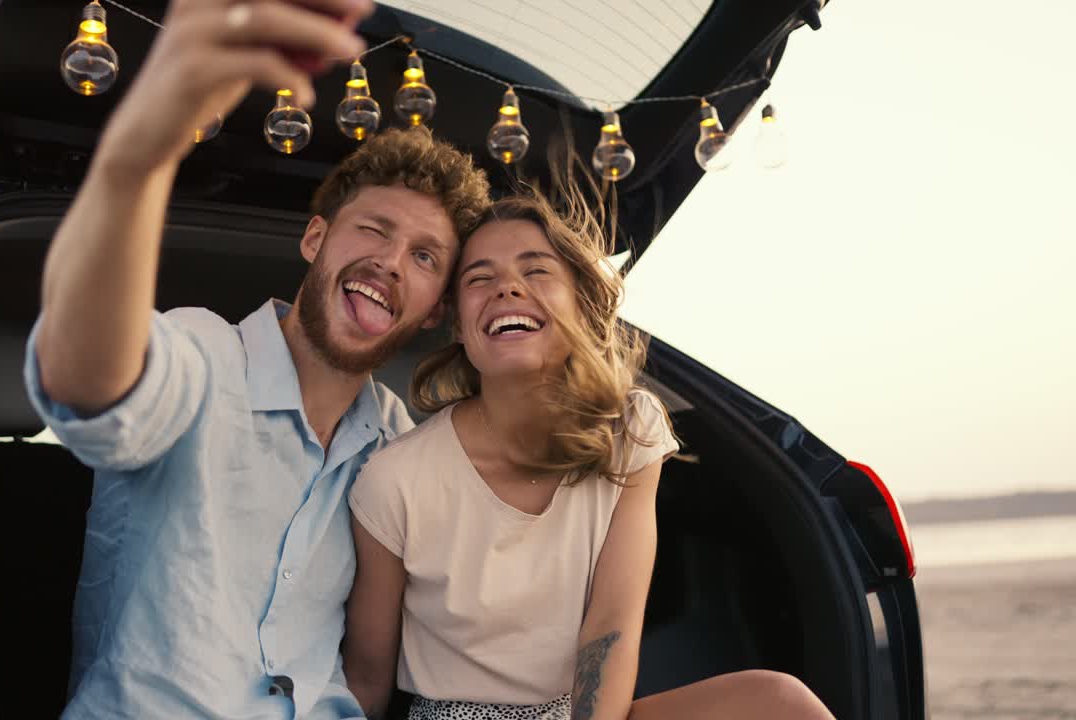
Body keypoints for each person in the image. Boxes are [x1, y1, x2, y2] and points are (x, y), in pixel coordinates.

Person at [23, 0, 492, 716]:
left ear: (433, 311)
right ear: (315, 240)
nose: (390, 262)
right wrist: (136, 158)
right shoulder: (208, 357)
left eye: (424, 256)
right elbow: (90, 381)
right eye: (373, 228)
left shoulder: (401, 443)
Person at [342, 164, 837, 719]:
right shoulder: (395, 479)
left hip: (581, 711)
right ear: (458, 324)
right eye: (479, 278)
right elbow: (367, 676)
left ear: (581, 306)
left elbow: (611, 627)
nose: (508, 286)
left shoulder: (630, 429)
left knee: (781, 704)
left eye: (537, 271)